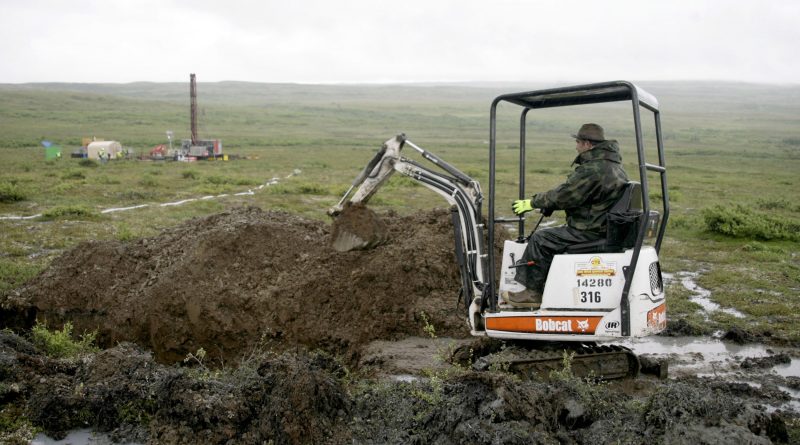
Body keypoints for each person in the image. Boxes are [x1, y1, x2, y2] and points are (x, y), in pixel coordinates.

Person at [505, 123, 629, 308]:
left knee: (541, 239)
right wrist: (551, 205)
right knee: (550, 236)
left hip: (590, 230)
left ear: (587, 144)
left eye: (578, 142)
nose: (576, 146)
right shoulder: (614, 167)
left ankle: (532, 294)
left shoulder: (593, 169)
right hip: (603, 227)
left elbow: (566, 194)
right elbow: (585, 198)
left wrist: (532, 203)